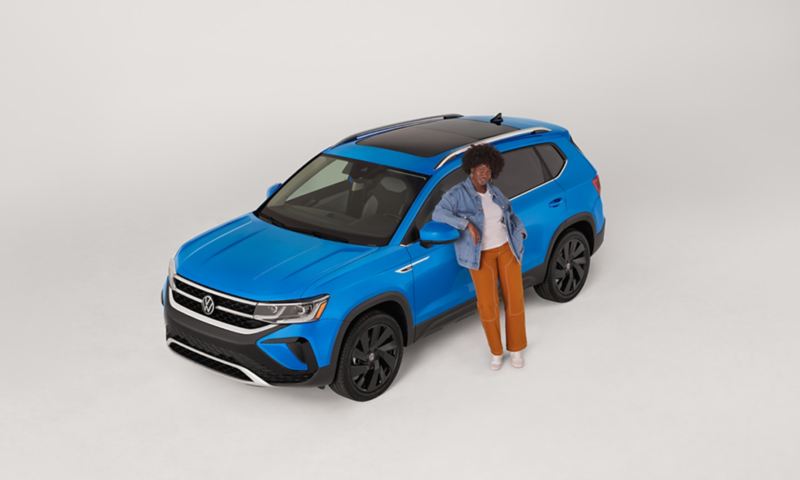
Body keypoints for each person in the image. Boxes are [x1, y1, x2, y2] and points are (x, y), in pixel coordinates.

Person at [432, 143, 529, 370]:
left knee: (515, 300)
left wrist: (521, 231)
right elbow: (439, 213)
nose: (485, 174)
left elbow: (510, 214)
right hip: (481, 256)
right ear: (471, 169)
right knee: (488, 305)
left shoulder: (495, 192)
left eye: (488, 170)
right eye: (480, 169)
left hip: (507, 250)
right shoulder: (457, 194)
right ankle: (496, 352)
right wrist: (466, 224)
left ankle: (516, 349)